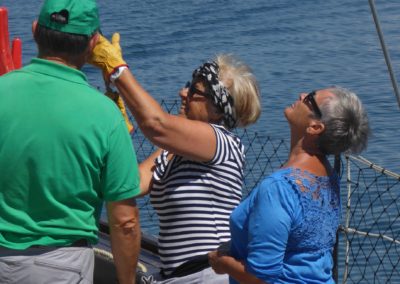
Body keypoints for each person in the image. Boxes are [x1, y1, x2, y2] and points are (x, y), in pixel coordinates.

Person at [88, 34, 261, 283]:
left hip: (208, 273)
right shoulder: (174, 151)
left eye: (194, 90)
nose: (183, 92)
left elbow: (156, 124)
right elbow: (130, 183)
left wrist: (118, 70)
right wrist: (116, 127)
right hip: (178, 275)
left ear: (216, 109)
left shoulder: (221, 141)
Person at [0, 1, 141, 284]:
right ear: (93, 44)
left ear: (35, 30)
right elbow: (125, 221)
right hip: (60, 266)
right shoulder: (105, 114)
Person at [208, 87, 370, 283]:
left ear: (315, 127)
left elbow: (261, 279)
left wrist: (222, 262)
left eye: (309, 98)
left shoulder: (279, 188)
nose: (301, 95)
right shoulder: (329, 178)